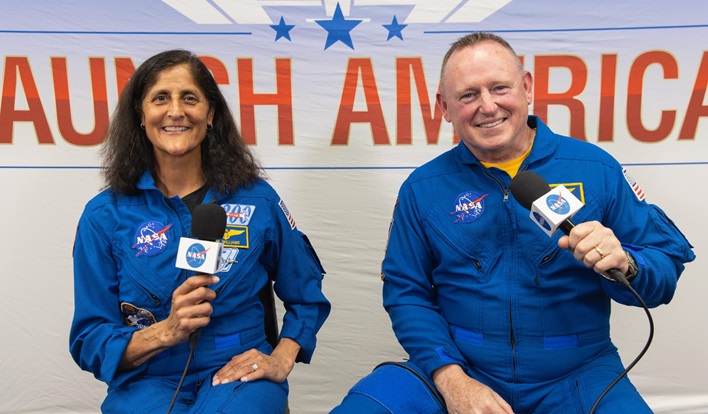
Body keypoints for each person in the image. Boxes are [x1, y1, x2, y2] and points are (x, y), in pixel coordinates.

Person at [331, 32, 694, 413]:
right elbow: (406, 293)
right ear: (444, 106)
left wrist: (627, 265)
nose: (487, 106)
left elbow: (664, 267)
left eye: (499, 88)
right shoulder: (423, 189)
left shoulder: (595, 169)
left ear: (526, 88)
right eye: (468, 95)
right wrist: (452, 380)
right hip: (460, 367)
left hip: (580, 371)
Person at [69, 49, 330, 413]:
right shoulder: (104, 216)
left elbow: (306, 294)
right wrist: (166, 331)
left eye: (189, 98)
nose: (176, 110)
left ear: (210, 115)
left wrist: (282, 356)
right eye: (160, 98)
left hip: (237, 372)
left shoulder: (258, 201)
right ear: (141, 117)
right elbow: (89, 340)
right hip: (147, 379)